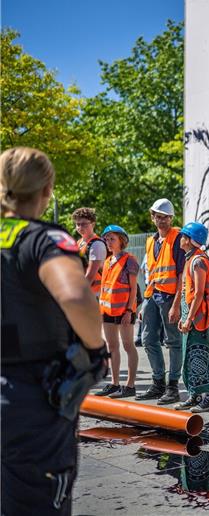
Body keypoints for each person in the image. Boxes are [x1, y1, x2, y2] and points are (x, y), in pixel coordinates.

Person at [1, 147, 107, 515]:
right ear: (47, 189)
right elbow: (77, 297)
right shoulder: (43, 239)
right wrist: (95, 351)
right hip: (31, 399)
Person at [137, 198, 185, 405]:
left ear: (171, 218)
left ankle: (172, 386)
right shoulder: (151, 241)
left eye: (165, 217)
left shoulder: (178, 238)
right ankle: (158, 383)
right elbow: (150, 272)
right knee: (148, 339)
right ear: (153, 217)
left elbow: (181, 274)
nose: (162, 220)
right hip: (153, 295)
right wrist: (145, 301)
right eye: (158, 216)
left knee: (173, 341)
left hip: (169, 296)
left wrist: (176, 304)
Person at [175, 222, 209, 413]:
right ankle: (194, 394)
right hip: (190, 315)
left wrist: (189, 318)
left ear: (191, 240)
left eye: (184, 235)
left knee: (201, 355)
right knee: (190, 356)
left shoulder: (199, 261)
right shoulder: (190, 258)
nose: (180, 238)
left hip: (198, 317)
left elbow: (199, 293)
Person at [94, 225, 139, 399]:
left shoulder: (130, 260)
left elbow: (133, 289)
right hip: (107, 310)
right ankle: (114, 383)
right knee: (111, 346)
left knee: (128, 345)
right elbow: (104, 288)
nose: (108, 242)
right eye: (106, 239)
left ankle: (130, 385)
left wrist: (129, 310)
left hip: (124, 311)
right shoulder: (107, 262)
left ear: (122, 240)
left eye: (112, 238)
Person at [72, 207, 107, 297]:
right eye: (78, 224)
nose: (80, 227)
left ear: (93, 224)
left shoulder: (96, 244)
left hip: (95, 294)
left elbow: (91, 273)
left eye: (84, 224)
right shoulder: (79, 242)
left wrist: (79, 292)